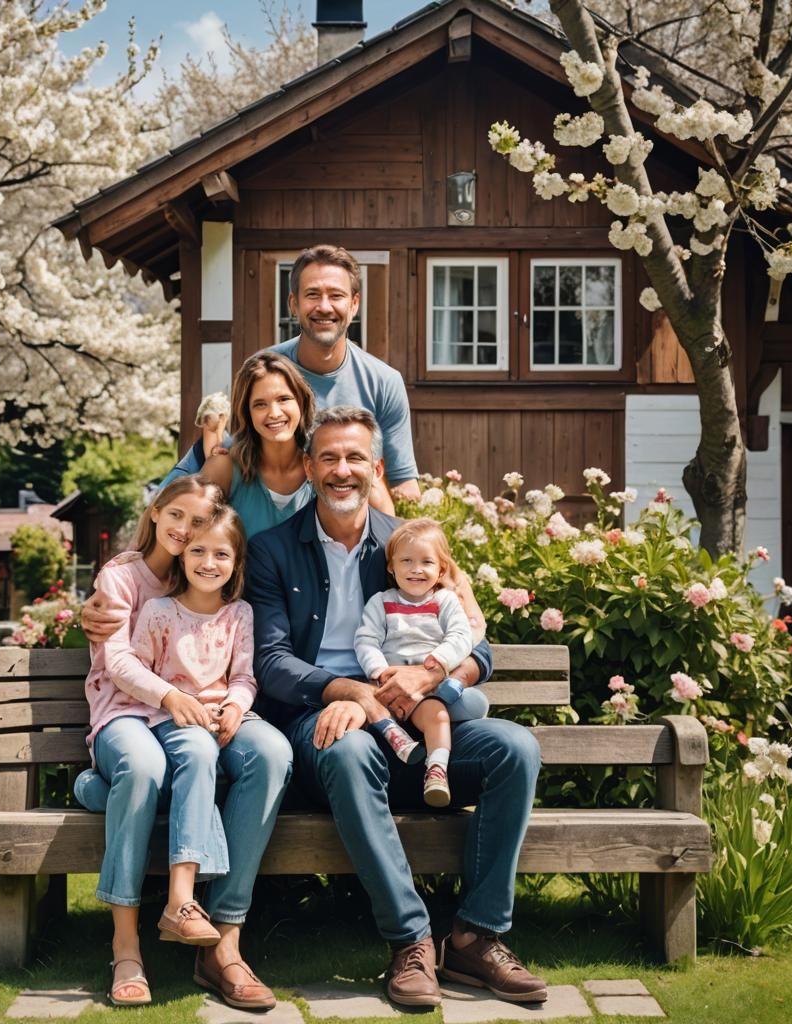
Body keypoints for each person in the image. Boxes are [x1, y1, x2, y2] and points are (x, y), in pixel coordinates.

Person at [245, 406, 547, 1007]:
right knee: (350, 751)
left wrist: (429, 674)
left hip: (417, 715)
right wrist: (352, 692)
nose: (342, 470)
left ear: (376, 468)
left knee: (515, 748)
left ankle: (475, 938)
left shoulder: (410, 543)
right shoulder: (272, 550)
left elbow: (477, 648)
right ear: (308, 467)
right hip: (323, 717)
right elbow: (271, 662)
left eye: (355, 457)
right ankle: (411, 941)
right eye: (329, 457)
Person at [75, 476, 292, 1009]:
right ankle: (127, 947)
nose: (185, 531)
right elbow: (119, 661)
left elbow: (240, 670)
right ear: (155, 512)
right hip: (129, 711)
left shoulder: (204, 578)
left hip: (200, 713)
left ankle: (223, 939)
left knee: (270, 753)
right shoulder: (123, 577)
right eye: (177, 517)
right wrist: (172, 697)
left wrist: (234, 705)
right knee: (145, 769)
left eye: (197, 524)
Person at [159, 245, 419, 506]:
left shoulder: (385, 382)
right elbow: (229, 453)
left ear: (354, 304)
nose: (324, 306)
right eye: (313, 295)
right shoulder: (264, 369)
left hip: (350, 520)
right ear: (294, 304)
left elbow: (403, 483)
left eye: (336, 295)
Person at [354, 518, 490, 807]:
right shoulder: (381, 602)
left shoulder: (445, 601)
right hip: (391, 682)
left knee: (445, 711)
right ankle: (395, 734)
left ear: (441, 569)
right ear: (391, 567)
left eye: (427, 562)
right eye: (406, 561)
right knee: (372, 700)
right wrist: (379, 671)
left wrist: (438, 662)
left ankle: (436, 770)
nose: (416, 569)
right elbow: (366, 640)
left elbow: (461, 635)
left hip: (430, 683)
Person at [201, 351, 316, 538]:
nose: (274, 413)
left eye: (284, 399)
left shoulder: (324, 464)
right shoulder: (223, 468)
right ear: (247, 413)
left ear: (301, 402)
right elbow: (191, 534)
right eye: (260, 404)